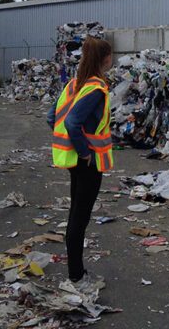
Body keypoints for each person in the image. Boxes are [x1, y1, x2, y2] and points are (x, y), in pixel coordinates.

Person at [47, 38, 115, 283]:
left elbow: (51, 117)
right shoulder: (96, 88)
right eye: (111, 55)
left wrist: (74, 146)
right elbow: (72, 122)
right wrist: (85, 151)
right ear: (104, 58)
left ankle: (77, 272)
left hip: (74, 162)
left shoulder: (74, 84)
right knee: (79, 218)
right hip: (88, 162)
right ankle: (76, 275)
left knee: (75, 215)